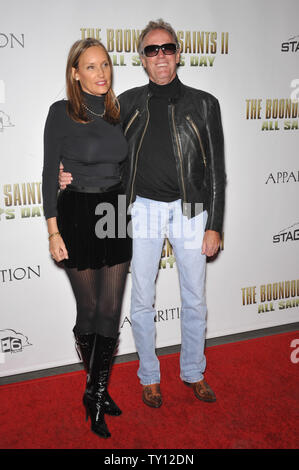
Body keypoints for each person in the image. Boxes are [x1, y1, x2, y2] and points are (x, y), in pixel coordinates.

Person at [60, 19, 225, 409]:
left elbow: (217, 170)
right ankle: (149, 375)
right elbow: (91, 140)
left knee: (194, 298)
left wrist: (215, 224)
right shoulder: (127, 103)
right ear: (143, 59)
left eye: (167, 48)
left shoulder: (204, 103)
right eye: (152, 50)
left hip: (192, 207)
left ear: (178, 53)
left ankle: (193, 372)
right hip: (142, 208)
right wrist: (65, 172)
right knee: (141, 299)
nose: (160, 56)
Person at [42, 38, 132, 438]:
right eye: (91, 67)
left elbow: (127, 165)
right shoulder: (60, 113)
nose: (101, 73)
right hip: (77, 212)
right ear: (75, 73)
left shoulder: (118, 112)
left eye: (105, 65)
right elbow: (48, 175)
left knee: (111, 309)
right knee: (91, 307)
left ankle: (95, 393)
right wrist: (53, 230)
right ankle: (95, 388)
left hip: (114, 210)